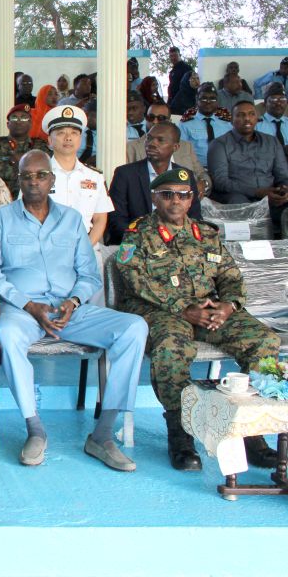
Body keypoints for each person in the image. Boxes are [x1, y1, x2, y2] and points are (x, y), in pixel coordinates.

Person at [0, 150, 147, 470]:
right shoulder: (1, 218)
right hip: (23, 311)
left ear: (51, 180)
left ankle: (103, 434)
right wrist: (29, 305)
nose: (34, 181)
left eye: (41, 175)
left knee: (134, 327)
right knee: (7, 335)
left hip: (69, 311)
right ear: (18, 180)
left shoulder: (71, 219)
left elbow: (89, 274)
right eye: (27, 176)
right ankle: (34, 429)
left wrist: (73, 302)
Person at [115, 168, 281, 472]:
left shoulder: (206, 234)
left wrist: (228, 306)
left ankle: (250, 432)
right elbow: (136, 282)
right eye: (167, 195)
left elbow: (230, 276)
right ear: (155, 198)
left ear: (191, 199)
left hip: (209, 310)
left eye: (182, 195)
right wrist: (183, 308)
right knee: (171, 349)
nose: (175, 201)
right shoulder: (138, 234)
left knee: (263, 341)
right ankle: (181, 435)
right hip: (161, 311)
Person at [107, 123, 202, 245]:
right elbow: (116, 220)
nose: (151, 143)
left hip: (178, 244)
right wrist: (145, 240)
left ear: (175, 147)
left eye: (160, 140)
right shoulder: (125, 174)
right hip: (136, 243)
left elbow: (195, 217)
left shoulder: (185, 175)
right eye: (149, 138)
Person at [208, 100, 288, 229]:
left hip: (271, 195)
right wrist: (257, 192)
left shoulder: (272, 142)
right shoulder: (219, 144)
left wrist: (284, 190)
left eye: (251, 114)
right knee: (240, 204)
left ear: (257, 118)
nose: (247, 118)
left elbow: (283, 175)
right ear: (231, 120)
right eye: (240, 115)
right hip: (238, 195)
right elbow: (221, 182)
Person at [41, 106, 112, 246]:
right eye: (61, 133)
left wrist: (85, 248)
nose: (68, 138)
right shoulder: (36, 175)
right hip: (47, 248)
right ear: (49, 140)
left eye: (74, 133)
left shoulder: (95, 176)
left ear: (80, 139)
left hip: (86, 247)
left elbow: (100, 218)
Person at [126, 103, 210, 193]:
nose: (155, 121)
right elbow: (128, 181)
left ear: (169, 121)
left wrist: (204, 184)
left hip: (188, 195)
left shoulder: (186, 146)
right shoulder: (132, 147)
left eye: (161, 118)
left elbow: (201, 173)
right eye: (151, 117)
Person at [0, 103, 49, 198]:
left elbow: (46, 172)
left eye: (24, 118)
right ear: (8, 124)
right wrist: (30, 171)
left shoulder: (40, 145)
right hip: (4, 197)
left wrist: (15, 163)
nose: (19, 122)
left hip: (34, 196)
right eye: (14, 118)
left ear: (31, 123)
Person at [179, 83, 232, 167]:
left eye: (212, 99)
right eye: (204, 98)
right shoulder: (186, 124)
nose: (208, 102)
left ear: (217, 101)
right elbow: (181, 152)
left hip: (223, 167)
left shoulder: (226, 124)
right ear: (197, 99)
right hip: (197, 168)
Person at [255, 82, 288, 150]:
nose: (278, 103)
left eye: (282, 99)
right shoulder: (256, 126)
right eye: (273, 99)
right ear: (265, 103)